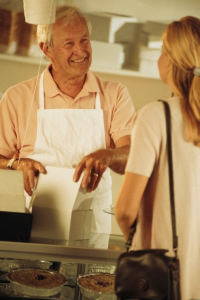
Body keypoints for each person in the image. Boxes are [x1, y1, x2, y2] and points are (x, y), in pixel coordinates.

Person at [0, 5, 134, 246]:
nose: (81, 50)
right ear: (46, 49)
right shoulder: (17, 98)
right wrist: (15, 164)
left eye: (84, 40)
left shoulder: (115, 94)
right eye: (69, 43)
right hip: (30, 231)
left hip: (92, 233)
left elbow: (132, 156)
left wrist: (108, 155)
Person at [115, 16, 200, 300]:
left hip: (162, 278)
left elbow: (126, 210)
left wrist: (136, 247)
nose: (160, 58)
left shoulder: (156, 115)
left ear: (173, 60)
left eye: (163, 50)